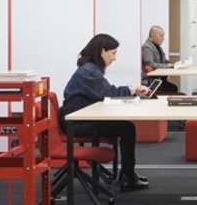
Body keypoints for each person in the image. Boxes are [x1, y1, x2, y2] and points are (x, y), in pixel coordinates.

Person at [62, 33, 156, 191]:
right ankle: (127, 176)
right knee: (127, 128)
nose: (115, 58)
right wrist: (132, 89)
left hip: (80, 118)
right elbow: (108, 93)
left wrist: (130, 91)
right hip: (78, 123)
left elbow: (104, 92)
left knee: (124, 127)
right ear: (102, 52)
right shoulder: (90, 72)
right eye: (113, 53)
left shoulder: (89, 69)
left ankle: (127, 174)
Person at [141, 25, 177, 94]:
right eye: (161, 36)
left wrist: (174, 64)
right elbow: (150, 65)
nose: (163, 38)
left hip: (159, 80)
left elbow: (164, 61)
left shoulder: (158, 47)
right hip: (151, 82)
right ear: (153, 36)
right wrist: (168, 66)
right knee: (173, 88)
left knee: (173, 88)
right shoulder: (147, 48)